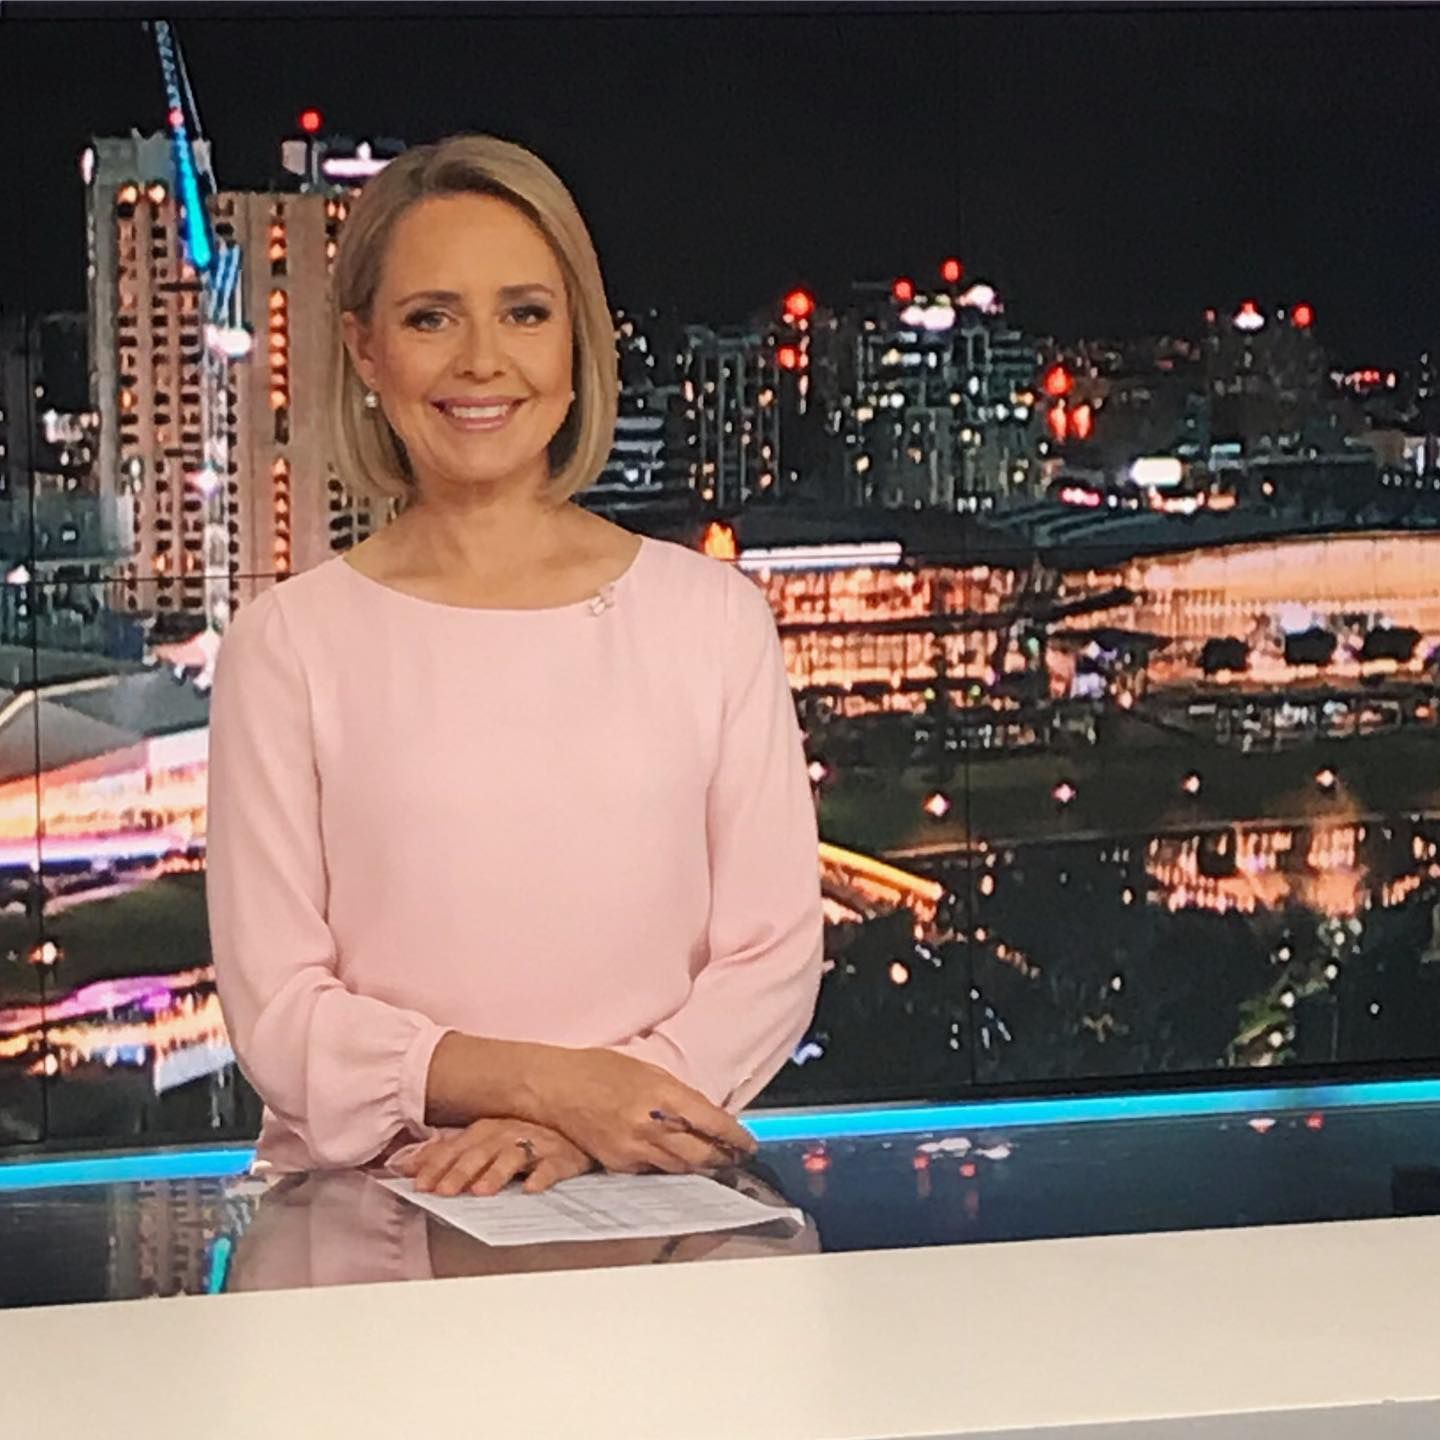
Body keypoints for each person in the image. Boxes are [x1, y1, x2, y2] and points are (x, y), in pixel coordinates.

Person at [205, 134, 824, 1198]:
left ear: (576, 342)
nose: (482, 360)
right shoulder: (286, 645)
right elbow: (280, 1012)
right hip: (374, 1212)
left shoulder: (712, 619)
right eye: (431, 318)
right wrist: (554, 1089)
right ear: (364, 351)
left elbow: (770, 960)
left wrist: (602, 1123)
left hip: (648, 1205)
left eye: (525, 313)